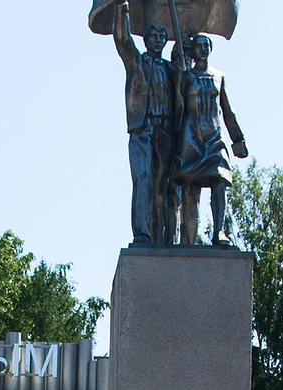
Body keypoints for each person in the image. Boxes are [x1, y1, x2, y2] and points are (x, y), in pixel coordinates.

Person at [112, 0, 178, 245]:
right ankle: (142, 233)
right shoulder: (136, 63)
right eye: (154, 35)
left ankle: (166, 238)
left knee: (166, 187)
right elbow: (122, 40)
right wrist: (123, 10)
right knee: (143, 178)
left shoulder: (173, 70)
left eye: (163, 35)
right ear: (146, 39)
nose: (158, 39)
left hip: (167, 131)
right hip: (142, 130)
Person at [172, 33, 247, 246]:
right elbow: (177, 108)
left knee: (219, 181)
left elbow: (228, 111)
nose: (203, 49)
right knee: (190, 187)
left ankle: (219, 231)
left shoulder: (219, 76)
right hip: (191, 136)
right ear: (193, 50)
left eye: (206, 45)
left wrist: (238, 139)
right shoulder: (185, 77)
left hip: (214, 135)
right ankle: (188, 238)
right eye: (199, 45)